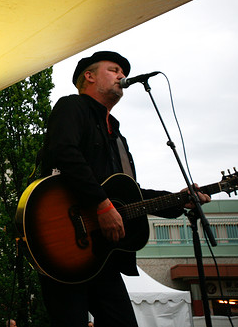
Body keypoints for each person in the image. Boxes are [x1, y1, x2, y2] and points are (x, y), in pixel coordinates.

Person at [36, 51, 210, 327]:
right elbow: (63, 153)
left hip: (103, 254)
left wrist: (179, 200)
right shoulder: (72, 106)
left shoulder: (117, 135)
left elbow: (130, 195)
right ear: (89, 77)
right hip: (65, 244)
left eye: (123, 72)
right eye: (114, 69)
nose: (122, 76)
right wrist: (102, 204)